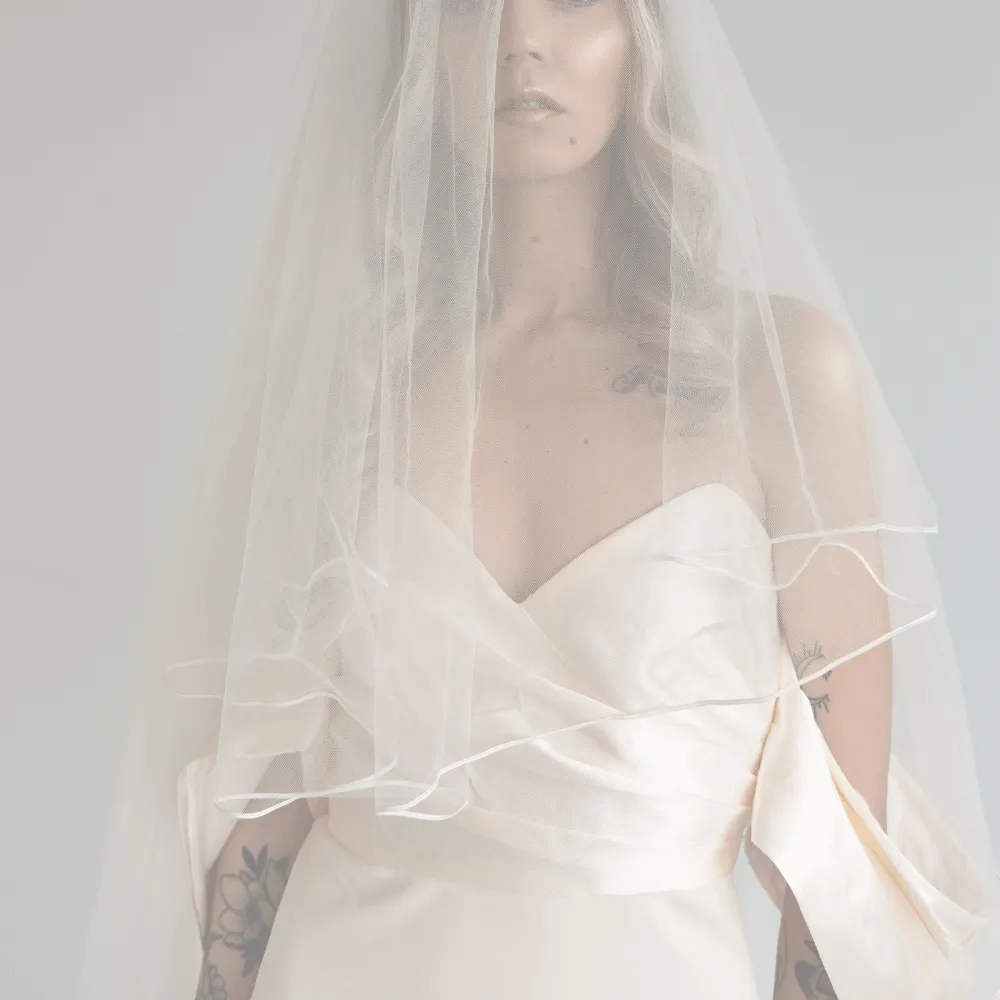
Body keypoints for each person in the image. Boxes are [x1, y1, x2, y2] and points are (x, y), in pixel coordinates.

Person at [75, 2, 999, 999]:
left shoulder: (776, 379)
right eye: (469, 6)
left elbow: (846, 869)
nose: (518, 36)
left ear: (645, 35)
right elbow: (274, 786)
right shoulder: (355, 380)